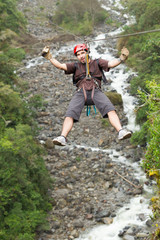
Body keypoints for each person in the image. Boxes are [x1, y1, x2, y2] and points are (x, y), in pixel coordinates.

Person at [42, 44, 132, 146]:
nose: (81, 56)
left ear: (87, 53)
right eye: (78, 54)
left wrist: (122, 58)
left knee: (110, 109)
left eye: (82, 53)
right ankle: (63, 137)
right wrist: (49, 57)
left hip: (96, 90)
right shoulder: (75, 66)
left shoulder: (97, 62)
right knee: (70, 113)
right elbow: (60, 66)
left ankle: (120, 131)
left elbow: (111, 64)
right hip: (81, 92)